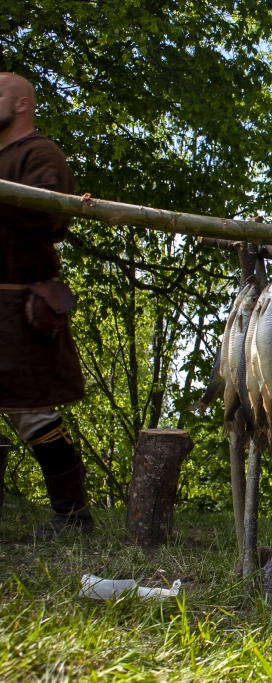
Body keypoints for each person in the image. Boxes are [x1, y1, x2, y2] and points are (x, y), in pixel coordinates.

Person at [0, 72, 91, 538]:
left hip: (17, 306)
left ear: (19, 104)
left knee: (32, 413)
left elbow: (51, 215)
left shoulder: (39, 154)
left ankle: (72, 515)